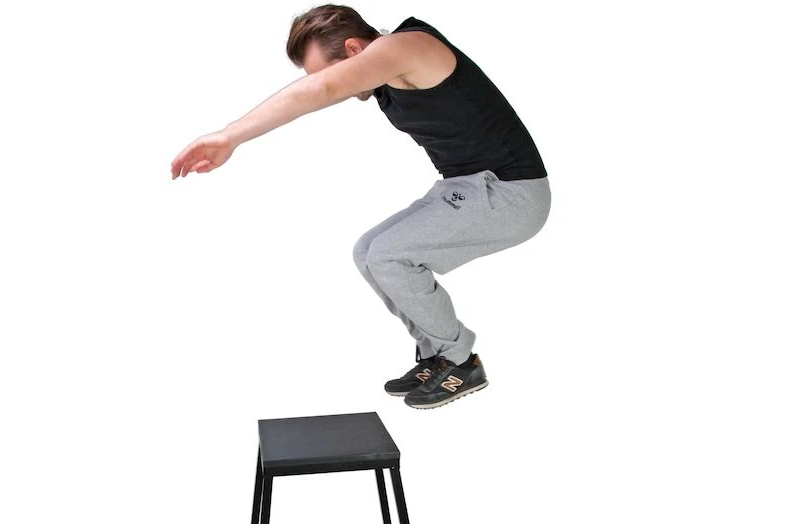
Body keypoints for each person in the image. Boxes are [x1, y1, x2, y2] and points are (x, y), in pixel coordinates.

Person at [171, 5, 550, 409]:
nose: (342, 87)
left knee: (390, 256)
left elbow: (321, 90)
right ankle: (436, 355)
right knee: (368, 252)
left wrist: (229, 136)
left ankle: (461, 362)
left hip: (510, 193)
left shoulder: (405, 48)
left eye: (332, 72)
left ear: (354, 50)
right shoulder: (389, 71)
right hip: (467, 187)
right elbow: (323, 85)